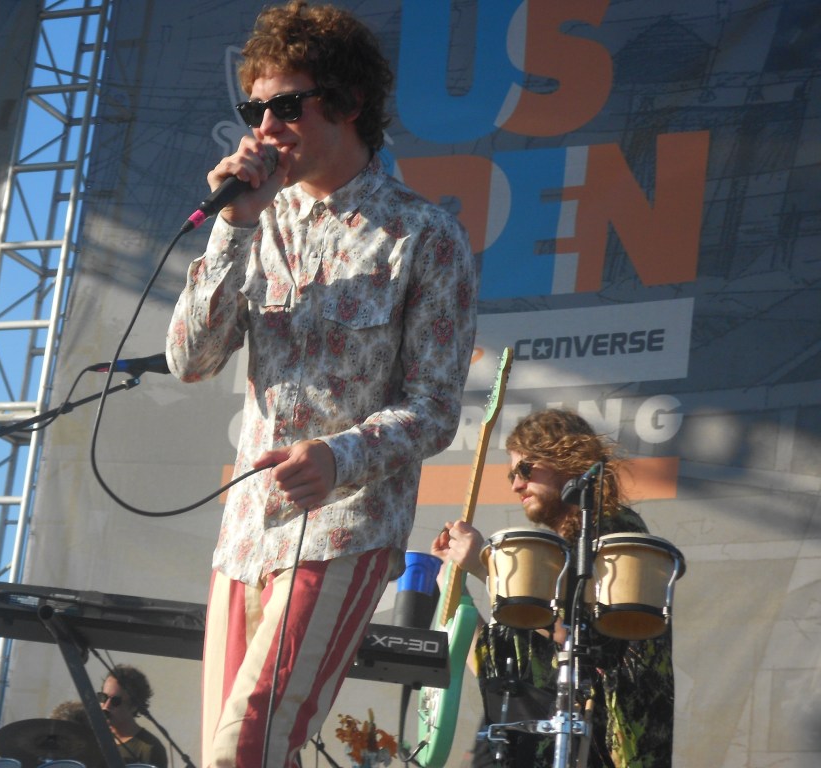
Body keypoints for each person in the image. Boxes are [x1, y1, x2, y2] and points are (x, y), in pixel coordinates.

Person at [165, 2, 476, 765]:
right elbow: (190, 359)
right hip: (245, 534)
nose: (267, 127)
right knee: (238, 754)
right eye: (255, 111)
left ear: (347, 102)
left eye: (286, 106)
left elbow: (435, 408)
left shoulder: (424, 234)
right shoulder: (256, 222)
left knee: (245, 748)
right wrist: (233, 225)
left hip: (344, 526)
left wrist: (341, 456)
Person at [431, 409, 675, 767]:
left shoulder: (614, 534)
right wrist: (454, 590)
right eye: (512, 475)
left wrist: (485, 566)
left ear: (568, 457)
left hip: (606, 751)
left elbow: (579, 637)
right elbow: (503, 677)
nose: (516, 485)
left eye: (525, 469)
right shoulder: (556, 559)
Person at [99, 665, 168, 768]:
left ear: (134, 706)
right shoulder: (93, 739)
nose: (106, 706)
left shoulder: (149, 749)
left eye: (115, 701)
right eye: (103, 697)